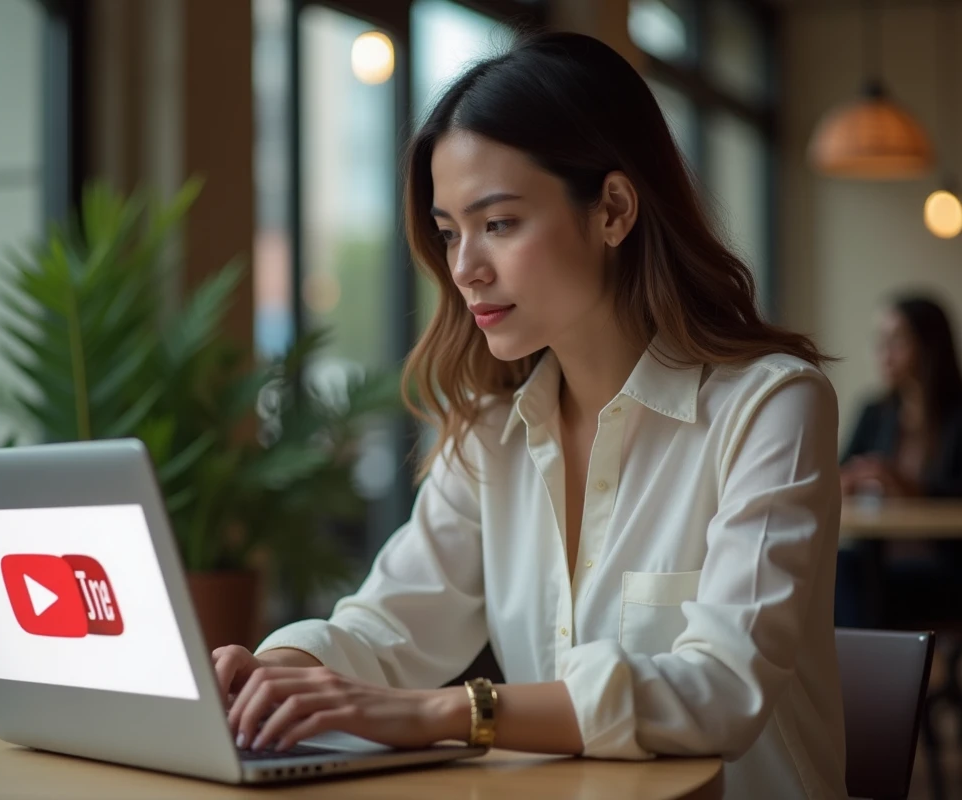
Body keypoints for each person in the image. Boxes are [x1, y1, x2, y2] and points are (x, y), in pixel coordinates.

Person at [213, 32, 847, 800]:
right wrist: (277, 673)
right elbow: (386, 629)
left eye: (500, 223)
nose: (464, 267)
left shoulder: (770, 407)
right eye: (450, 232)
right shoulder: (489, 432)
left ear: (612, 210)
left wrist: (443, 713)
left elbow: (719, 689)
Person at [836, 295, 962, 628]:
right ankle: (861, 675)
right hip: (877, 555)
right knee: (838, 568)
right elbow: (837, 476)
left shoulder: (956, 415)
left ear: (929, 345)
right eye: (880, 341)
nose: (883, 353)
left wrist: (906, 485)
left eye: (897, 340)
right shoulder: (874, 412)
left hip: (946, 563)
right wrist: (849, 480)